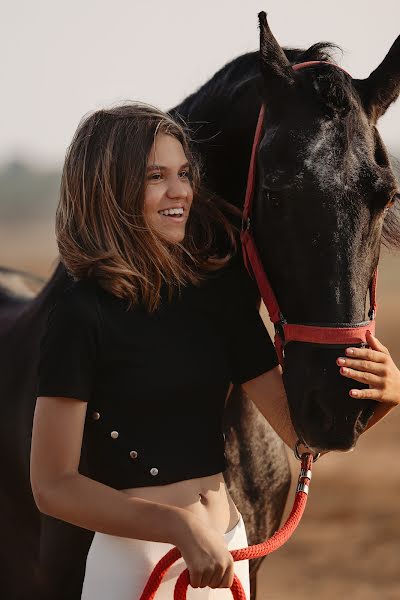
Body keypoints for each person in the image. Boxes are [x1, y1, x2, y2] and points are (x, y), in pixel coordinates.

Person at [30, 102, 400, 600]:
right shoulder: (80, 314)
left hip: (227, 554)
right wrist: (178, 527)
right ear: (108, 189)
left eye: (183, 173)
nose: (179, 190)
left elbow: (301, 436)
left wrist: (385, 396)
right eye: (155, 176)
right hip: (134, 568)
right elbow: (52, 486)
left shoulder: (218, 296)